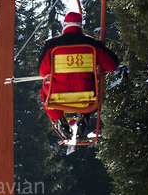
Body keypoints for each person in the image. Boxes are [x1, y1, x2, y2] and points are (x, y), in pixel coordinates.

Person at [38, 12, 119, 140]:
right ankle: (84, 119)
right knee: (92, 84)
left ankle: (59, 120)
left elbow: (42, 72)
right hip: (86, 95)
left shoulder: (52, 45)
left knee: (45, 91)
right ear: (81, 26)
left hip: (58, 95)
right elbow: (112, 65)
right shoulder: (92, 44)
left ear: (64, 25)